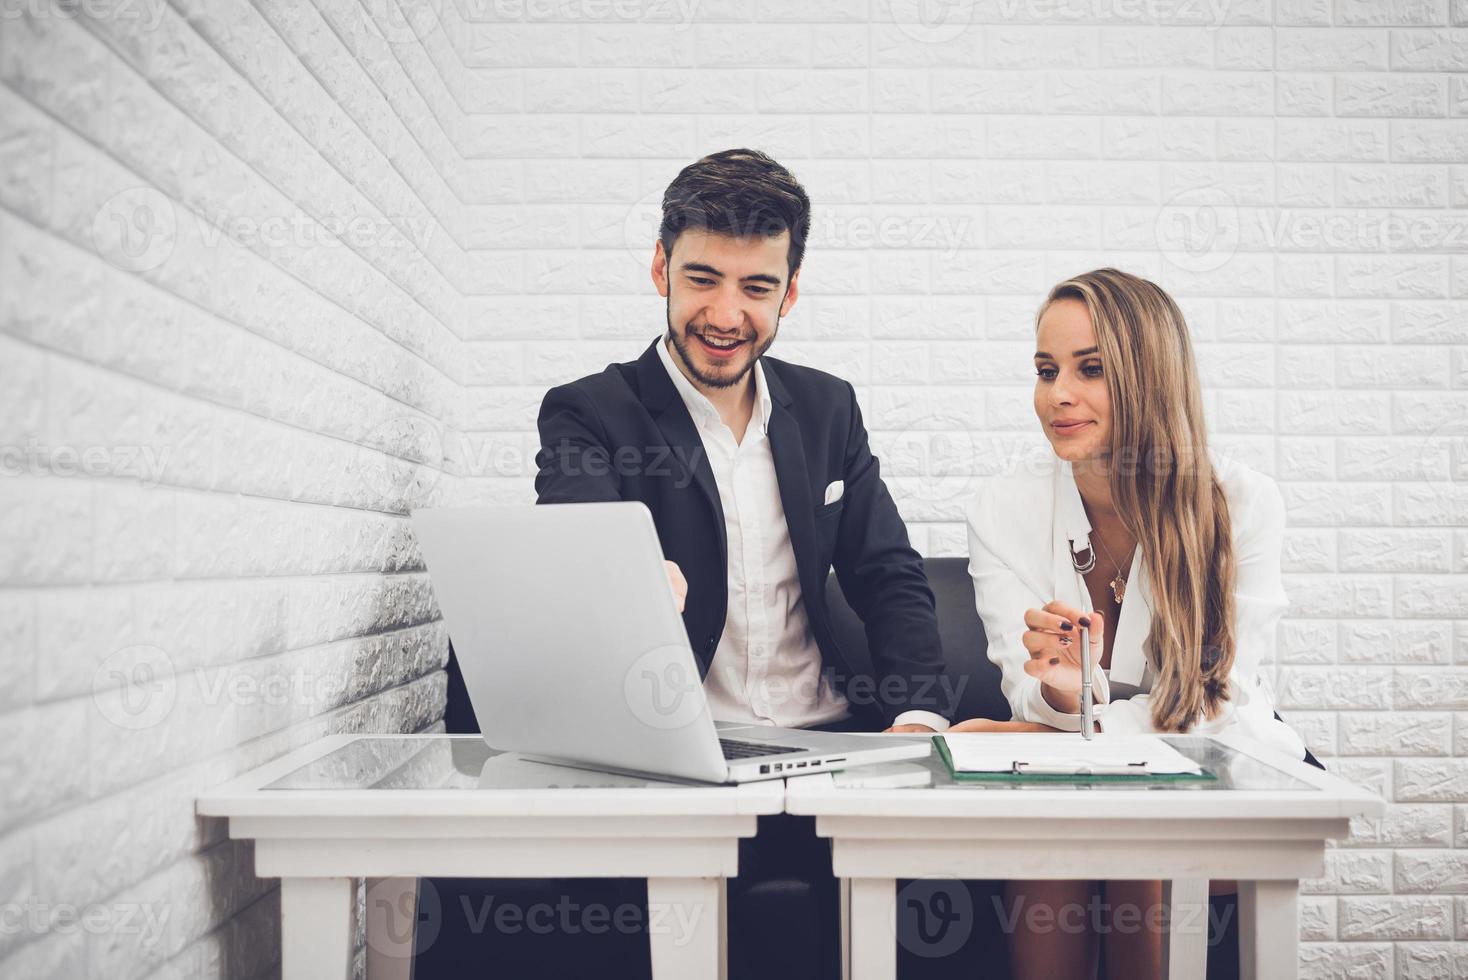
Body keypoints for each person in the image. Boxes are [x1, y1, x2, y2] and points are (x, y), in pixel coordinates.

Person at [531, 147, 953, 980]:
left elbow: (889, 574)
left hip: (831, 761)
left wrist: (915, 724)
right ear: (660, 267)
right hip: (677, 771)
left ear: (790, 291)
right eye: (702, 279)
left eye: (757, 288)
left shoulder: (829, 408)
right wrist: (623, 576)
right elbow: (580, 530)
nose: (726, 314)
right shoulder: (590, 411)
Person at [954, 267, 1316, 979]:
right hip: (1078, 783)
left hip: (1225, 766)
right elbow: (1023, 692)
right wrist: (1058, 693)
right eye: (1046, 369)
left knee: (1133, 837)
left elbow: (1218, 703)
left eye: (1091, 369)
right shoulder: (1000, 508)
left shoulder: (1240, 502)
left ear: (1149, 376)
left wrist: (1057, 732)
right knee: (1060, 844)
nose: (1058, 394)